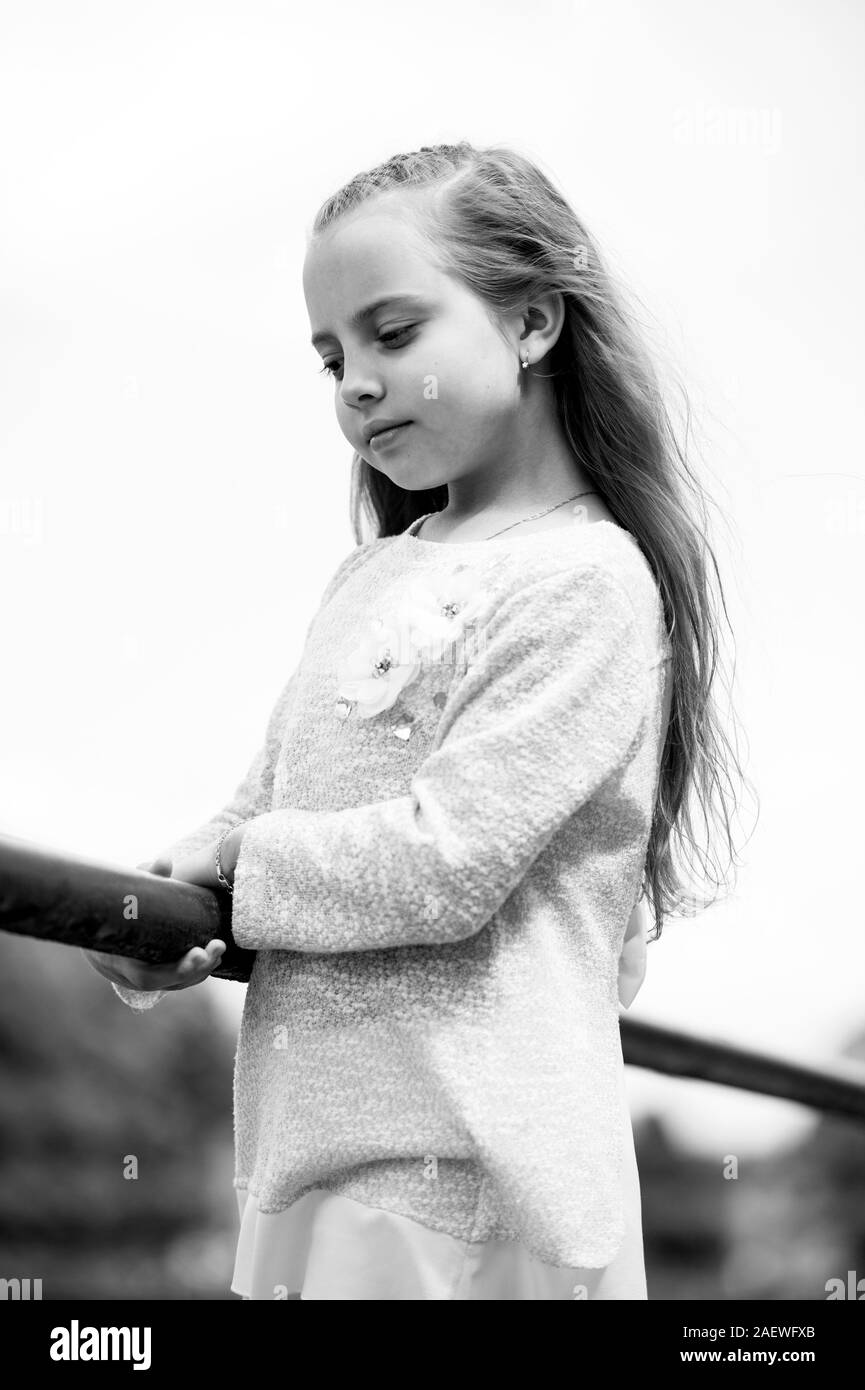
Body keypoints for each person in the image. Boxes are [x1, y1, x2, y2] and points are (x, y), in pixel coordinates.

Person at [84, 142, 746, 1300]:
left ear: (533, 322)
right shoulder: (364, 581)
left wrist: (238, 864)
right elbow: (258, 812)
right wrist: (151, 921)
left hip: (478, 1194)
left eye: (393, 336)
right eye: (330, 355)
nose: (353, 381)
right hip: (308, 1174)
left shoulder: (586, 581)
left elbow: (449, 860)